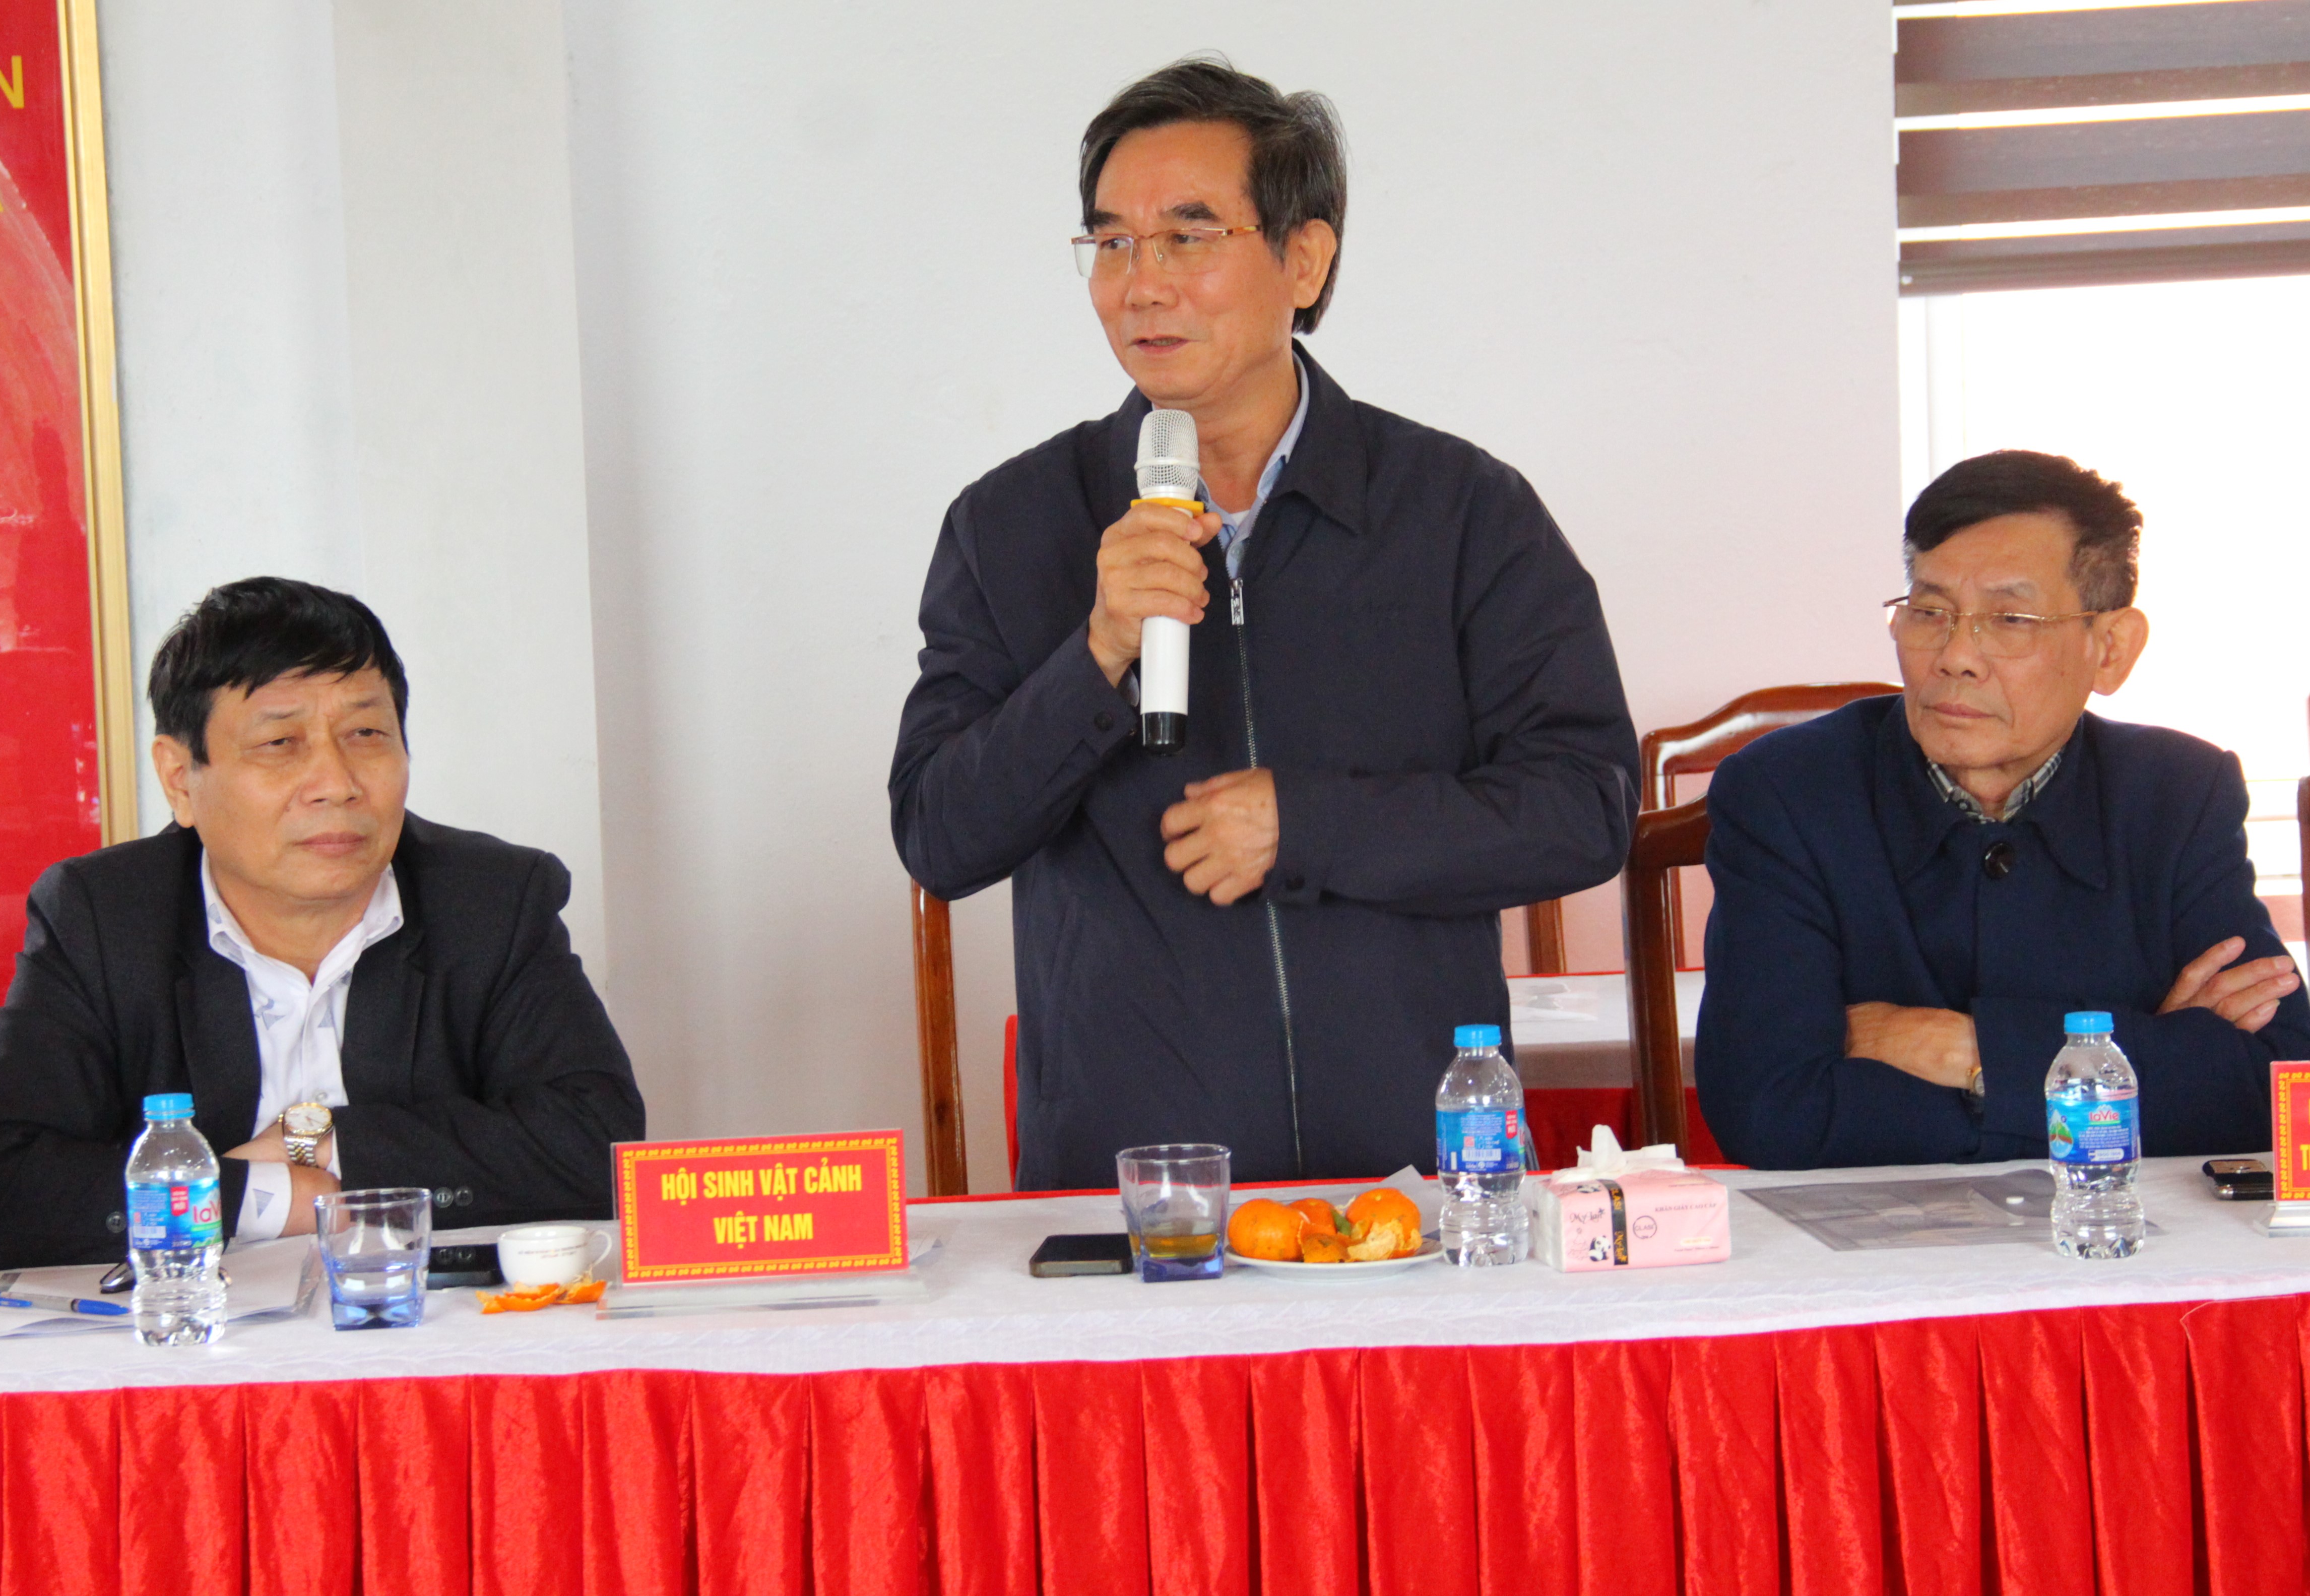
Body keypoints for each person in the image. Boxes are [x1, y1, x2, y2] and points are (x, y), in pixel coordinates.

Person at [889, 58, 1638, 1190]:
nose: (1141, 285)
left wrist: (1311, 826)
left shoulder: (1462, 512)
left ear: (1305, 259)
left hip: (1416, 1191)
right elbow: (939, 838)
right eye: (1111, 243)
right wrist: (1096, 654)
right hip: (1135, 1194)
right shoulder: (1011, 523)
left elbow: (1584, 808)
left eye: (1187, 237)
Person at [0, 577, 644, 1270]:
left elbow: (599, 1148)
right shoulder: (103, 918)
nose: (337, 784)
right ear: (181, 779)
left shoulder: (491, 899)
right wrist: (268, 1196)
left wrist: (322, 1142)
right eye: (280, 743)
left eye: (366, 733)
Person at [1698, 451, 2310, 1169]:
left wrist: (1969, 1052)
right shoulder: (1788, 792)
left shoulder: (2178, 792)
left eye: (2011, 618)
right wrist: (2140, 1064)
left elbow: (2278, 1093)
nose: (1956, 656)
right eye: (1930, 611)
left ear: (2111, 649)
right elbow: (1770, 1112)